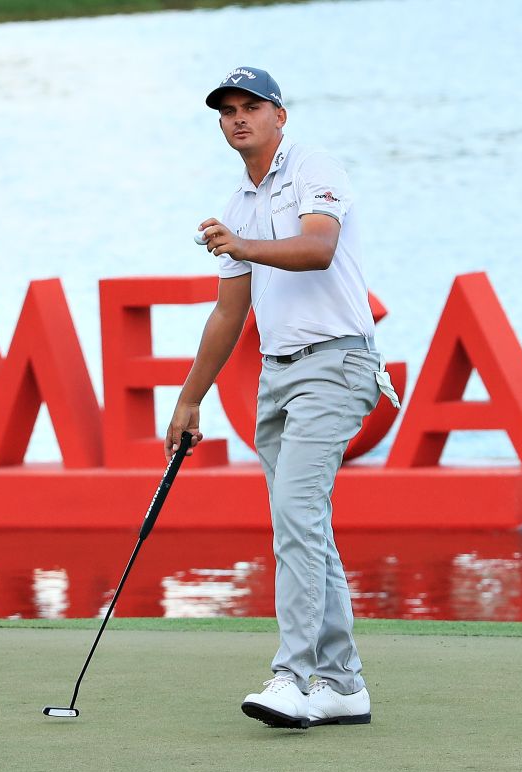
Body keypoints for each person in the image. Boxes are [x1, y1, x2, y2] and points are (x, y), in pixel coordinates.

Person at [164, 66, 398, 730]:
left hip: (338, 364)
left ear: (279, 115)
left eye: (251, 107)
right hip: (276, 377)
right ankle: (345, 684)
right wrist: (189, 400)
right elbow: (227, 313)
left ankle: (295, 677)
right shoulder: (238, 203)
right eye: (228, 110)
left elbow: (319, 248)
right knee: (305, 525)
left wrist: (243, 245)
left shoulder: (313, 167)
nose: (239, 118)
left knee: (297, 516)